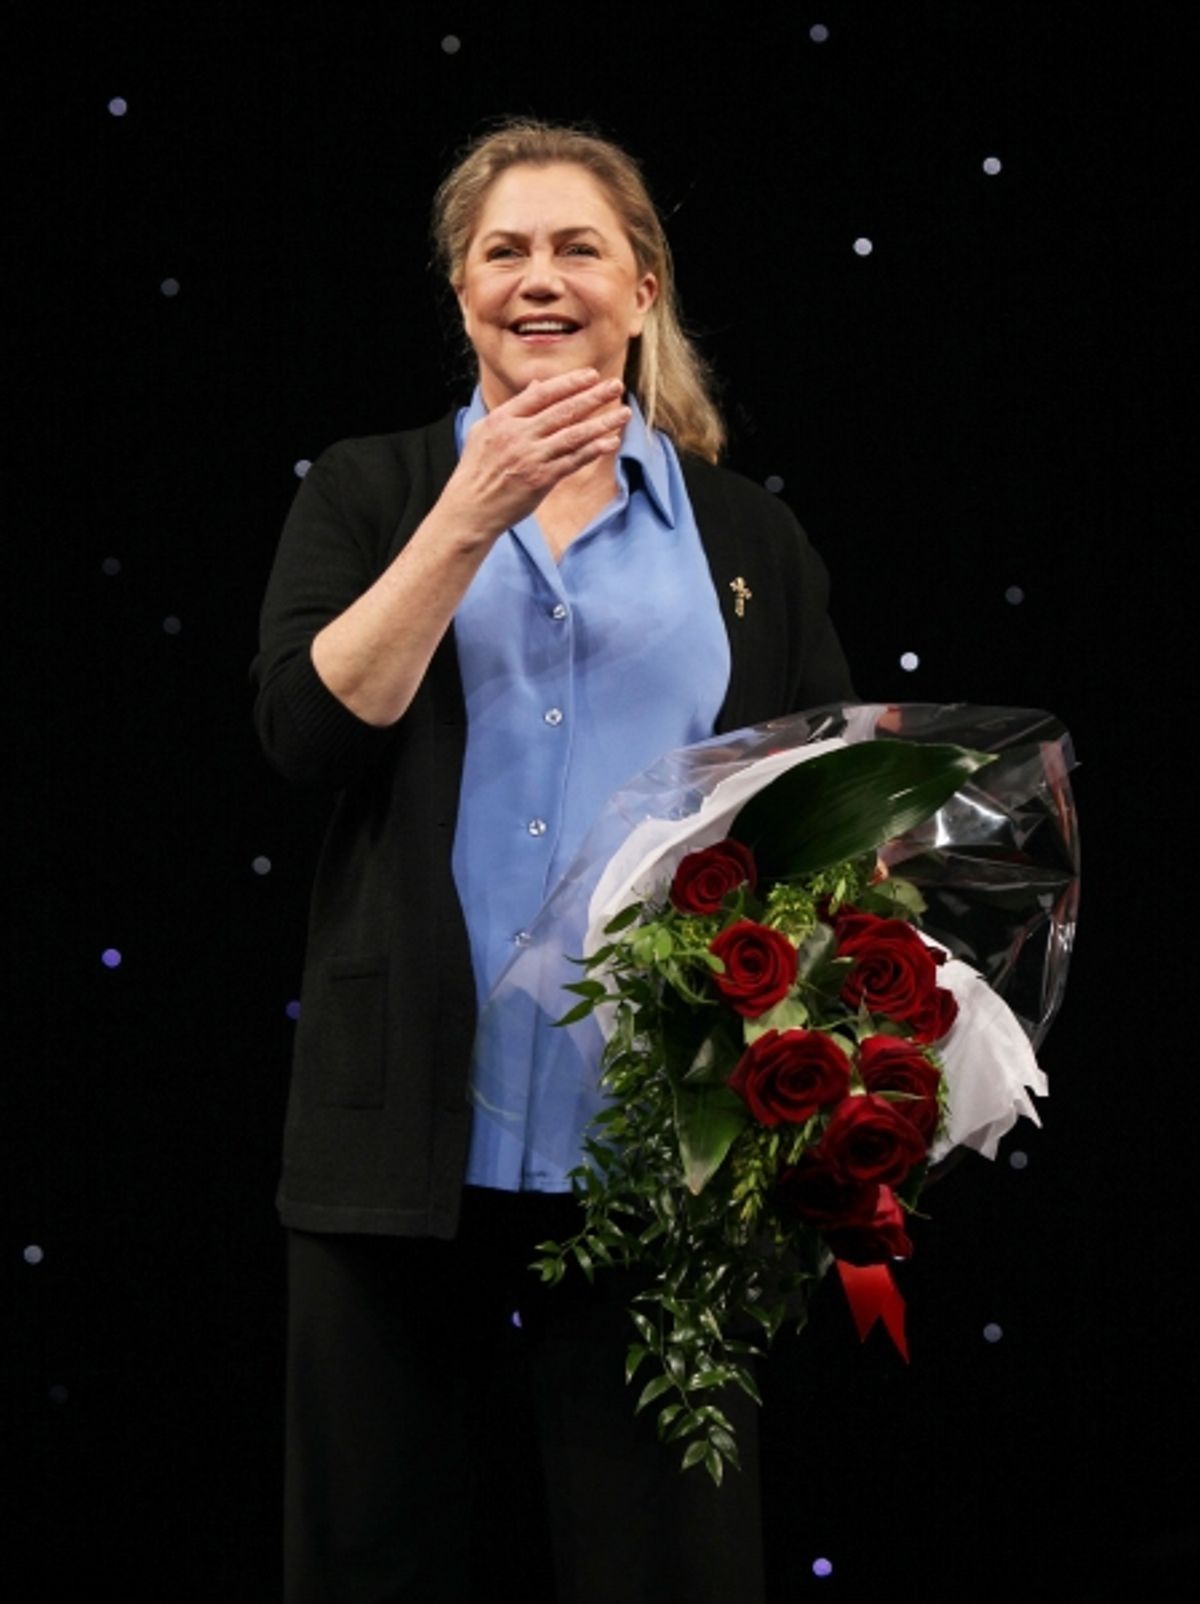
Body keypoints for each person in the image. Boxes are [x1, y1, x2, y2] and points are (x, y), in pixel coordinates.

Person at [253, 118, 855, 1604]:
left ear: (641, 289)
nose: (539, 277)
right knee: (377, 1564)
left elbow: (825, 822)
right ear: (463, 293)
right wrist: (471, 514)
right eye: (502, 250)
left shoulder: (747, 537)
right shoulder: (371, 489)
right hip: (402, 1134)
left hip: (660, 1146)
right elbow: (304, 738)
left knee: (669, 1569)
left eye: (577, 247)